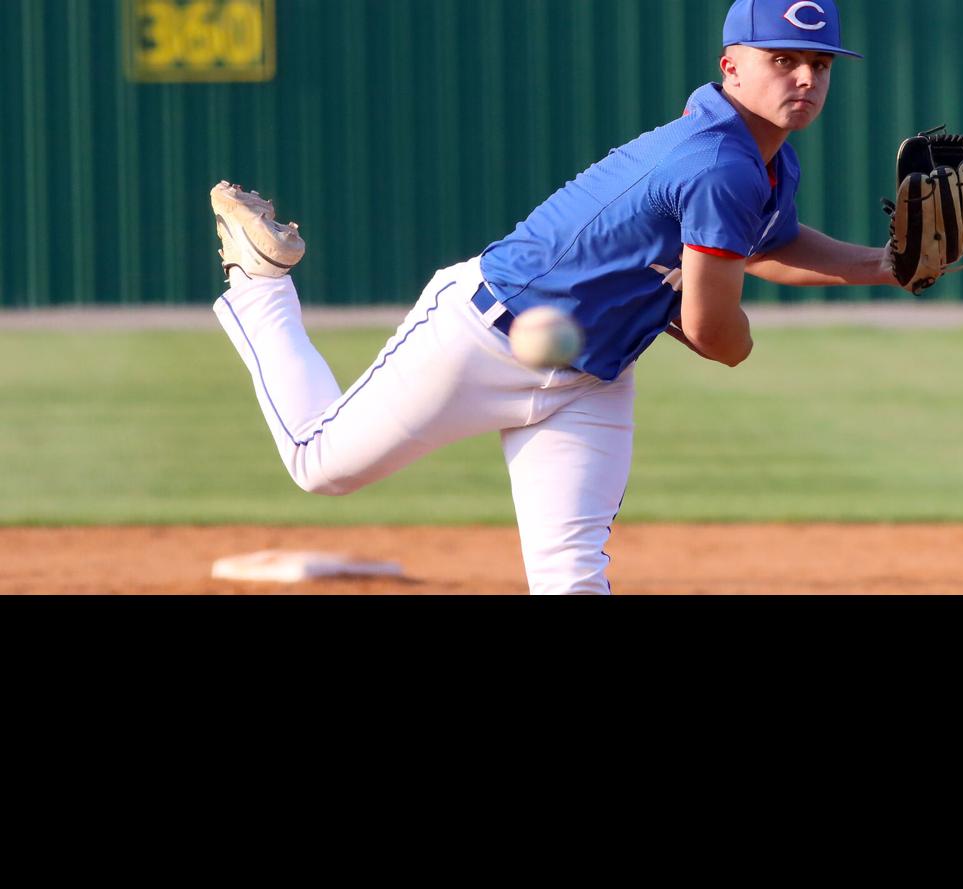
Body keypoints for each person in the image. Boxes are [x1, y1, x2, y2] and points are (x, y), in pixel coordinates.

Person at [209, 0, 894, 594]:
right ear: (732, 66)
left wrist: (890, 266)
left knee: (570, 579)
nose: (805, 77)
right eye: (783, 58)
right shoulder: (718, 161)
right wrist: (723, 329)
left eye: (820, 63)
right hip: (482, 337)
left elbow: (768, 244)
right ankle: (262, 282)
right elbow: (717, 336)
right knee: (318, 465)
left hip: (590, 377)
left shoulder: (760, 153)